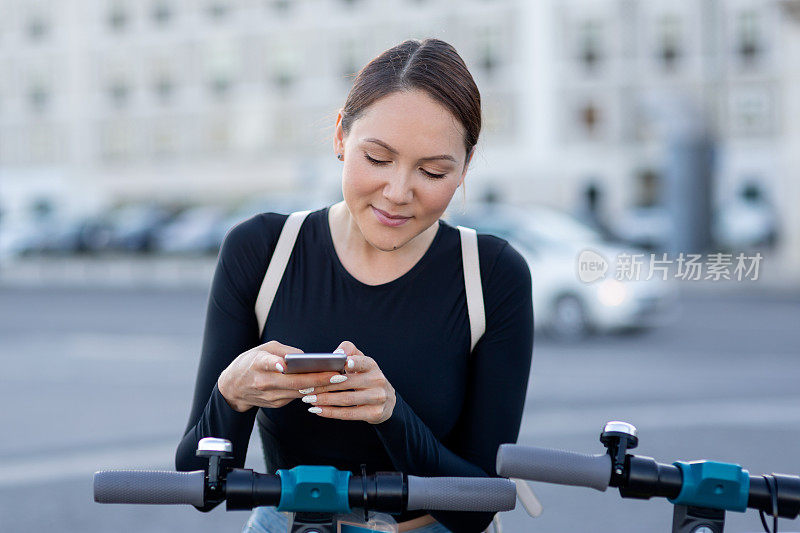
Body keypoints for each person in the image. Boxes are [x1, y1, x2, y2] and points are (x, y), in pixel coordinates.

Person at [175, 38, 534, 533]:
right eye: (378, 159)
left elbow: (477, 508)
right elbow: (197, 485)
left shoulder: (491, 273)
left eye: (432, 171)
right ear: (342, 136)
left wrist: (389, 414)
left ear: (466, 167)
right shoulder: (261, 250)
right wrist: (231, 394)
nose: (398, 193)